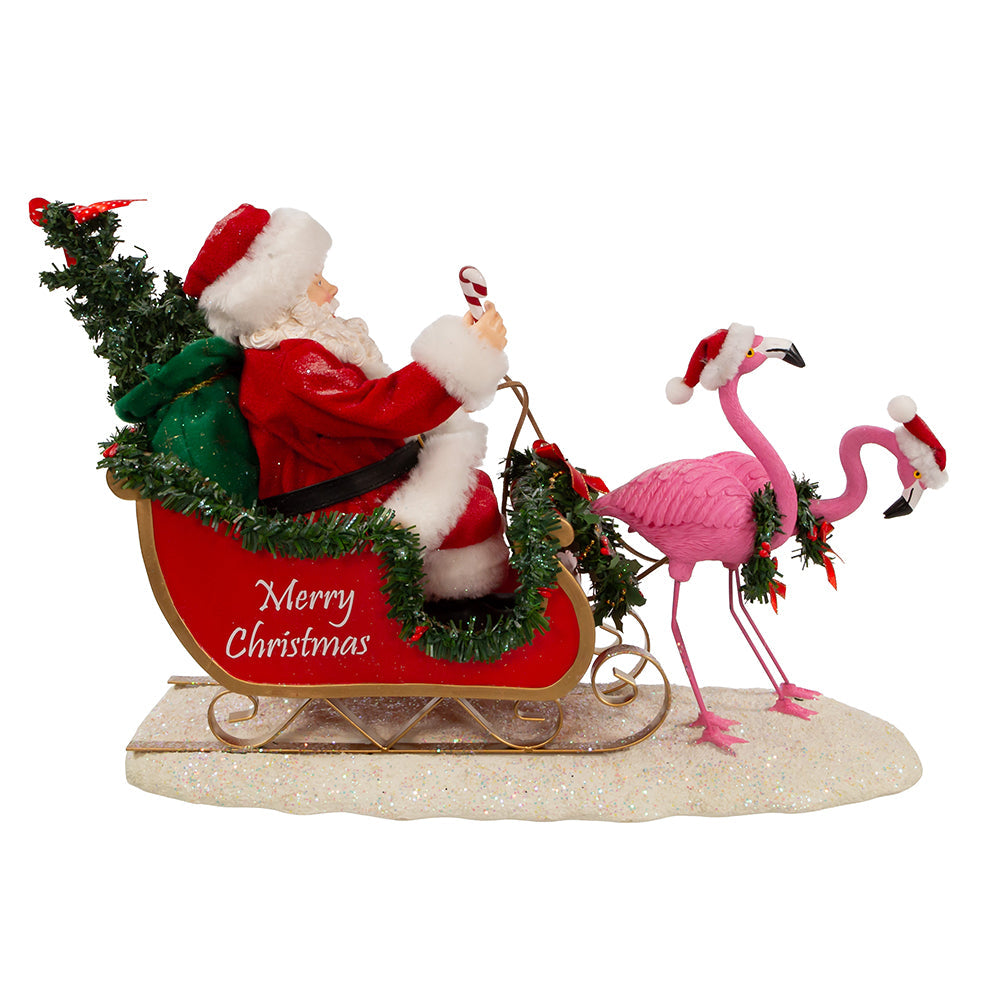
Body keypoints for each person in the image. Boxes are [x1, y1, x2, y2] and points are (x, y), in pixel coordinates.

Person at [183, 203, 515, 601]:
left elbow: (374, 399)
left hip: (358, 481)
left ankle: (468, 598)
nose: (332, 290)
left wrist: (454, 375)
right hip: (335, 510)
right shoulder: (291, 366)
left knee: (471, 485)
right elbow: (376, 408)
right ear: (284, 300)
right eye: (317, 281)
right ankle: (467, 602)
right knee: (470, 505)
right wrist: (462, 360)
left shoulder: (303, 352)